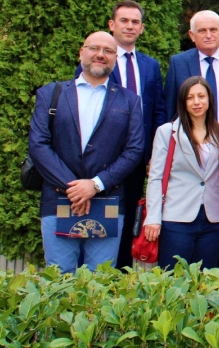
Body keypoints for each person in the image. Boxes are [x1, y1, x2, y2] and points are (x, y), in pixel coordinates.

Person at [28, 32, 144, 273]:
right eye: (94, 48)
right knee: (59, 279)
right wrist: (75, 188)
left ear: (115, 58)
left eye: (108, 51)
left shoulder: (130, 101)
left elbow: (134, 151)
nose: (101, 55)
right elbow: (38, 145)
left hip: (108, 200)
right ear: (82, 52)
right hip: (59, 199)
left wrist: (95, 185)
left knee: (99, 281)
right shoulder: (51, 94)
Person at [74, 0, 166, 269]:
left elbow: (158, 112)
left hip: (136, 159)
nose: (129, 26)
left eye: (135, 22)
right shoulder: (94, 62)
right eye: (123, 20)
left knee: (128, 221)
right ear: (112, 25)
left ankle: (121, 282)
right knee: (95, 223)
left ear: (142, 28)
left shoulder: (150, 66)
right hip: (99, 163)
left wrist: (153, 155)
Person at [142, 77, 219, 270]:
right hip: (176, 219)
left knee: (208, 280)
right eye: (190, 97)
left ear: (210, 99)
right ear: (183, 102)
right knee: (174, 280)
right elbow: (156, 177)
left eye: (201, 96)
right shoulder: (167, 132)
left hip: (212, 220)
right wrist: (153, 218)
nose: (197, 102)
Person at [165, 10, 219, 133]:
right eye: (202, 31)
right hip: (189, 144)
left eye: (213, 30)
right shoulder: (178, 64)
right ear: (192, 35)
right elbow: (170, 108)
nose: (208, 35)